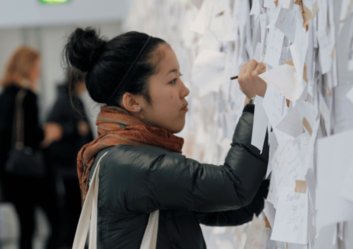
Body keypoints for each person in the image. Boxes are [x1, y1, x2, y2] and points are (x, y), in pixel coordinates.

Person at [64, 28, 269, 248]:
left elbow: (228, 206)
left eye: (179, 77)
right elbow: (233, 187)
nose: (185, 90)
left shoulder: (121, 155)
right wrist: (256, 104)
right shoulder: (131, 165)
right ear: (133, 102)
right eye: (172, 80)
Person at [0, 47, 62, 249]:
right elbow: (31, 137)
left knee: (26, 227)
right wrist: (49, 133)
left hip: (11, 172)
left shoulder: (5, 96)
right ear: (27, 68)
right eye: (36, 67)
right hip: (33, 173)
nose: (39, 72)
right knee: (57, 223)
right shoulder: (27, 96)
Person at [44, 69, 93, 247]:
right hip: (69, 168)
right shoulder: (64, 101)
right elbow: (50, 129)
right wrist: (74, 129)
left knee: (78, 211)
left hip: (76, 167)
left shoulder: (75, 100)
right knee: (72, 213)